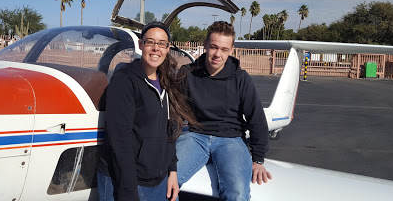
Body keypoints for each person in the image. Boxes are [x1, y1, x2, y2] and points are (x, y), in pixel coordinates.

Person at [97, 22, 198, 201]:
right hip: (125, 181)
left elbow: (170, 131)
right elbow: (120, 140)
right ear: (140, 44)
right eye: (150, 42)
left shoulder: (167, 83)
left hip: (157, 181)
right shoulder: (125, 81)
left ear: (167, 49)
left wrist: (172, 171)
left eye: (161, 44)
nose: (155, 49)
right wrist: (128, 192)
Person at [176, 21, 272, 201]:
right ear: (205, 44)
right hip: (196, 136)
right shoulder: (187, 73)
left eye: (224, 49)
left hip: (231, 139)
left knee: (237, 193)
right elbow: (172, 112)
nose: (217, 54)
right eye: (213, 47)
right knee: (164, 180)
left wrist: (258, 160)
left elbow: (256, 119)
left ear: (231, 50)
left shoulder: (241, 79)